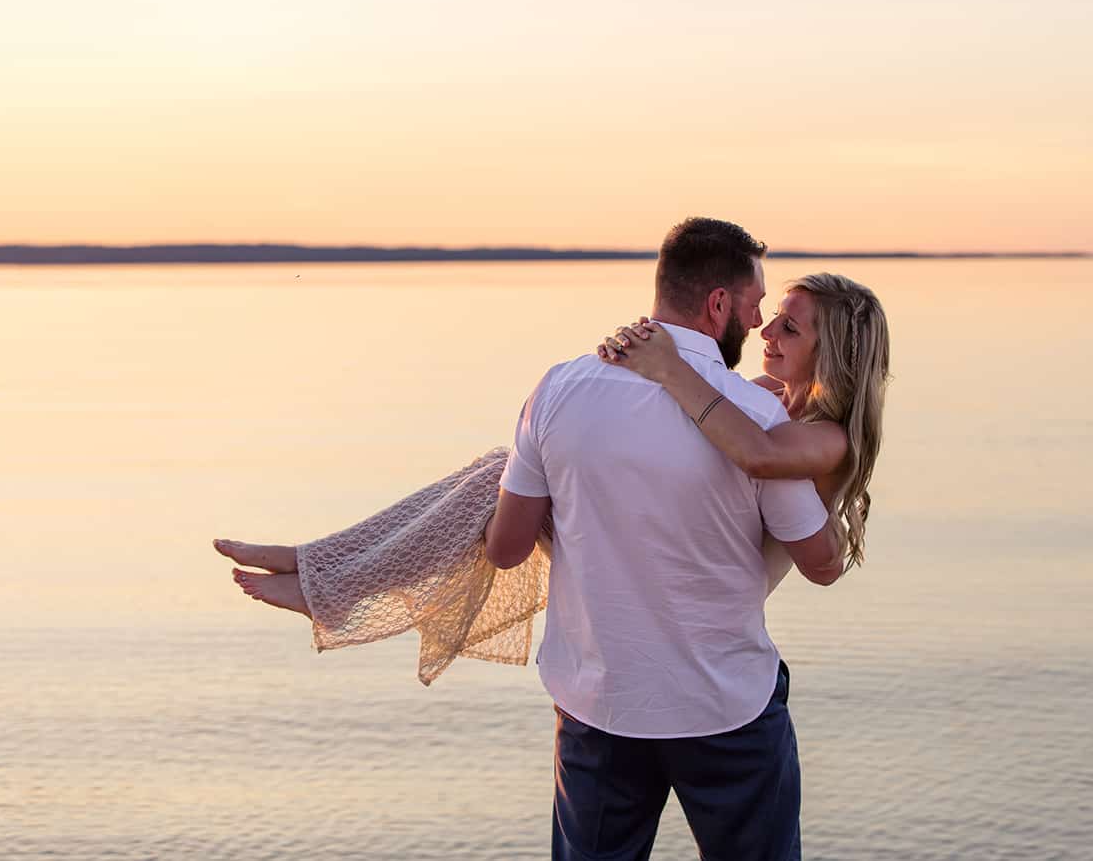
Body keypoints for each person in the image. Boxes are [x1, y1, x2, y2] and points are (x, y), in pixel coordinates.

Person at [216, 217, 891, 859]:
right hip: (720, 705)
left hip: (601, 702)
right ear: (718, 304)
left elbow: (505, 549)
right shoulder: (755, 406)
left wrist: (579, 515)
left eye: (783, 323)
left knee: (496, 477)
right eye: (756, 306)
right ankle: (324, 571)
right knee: (493, 474)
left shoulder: (580, 388)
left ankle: (326, 573)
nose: (760, 323)